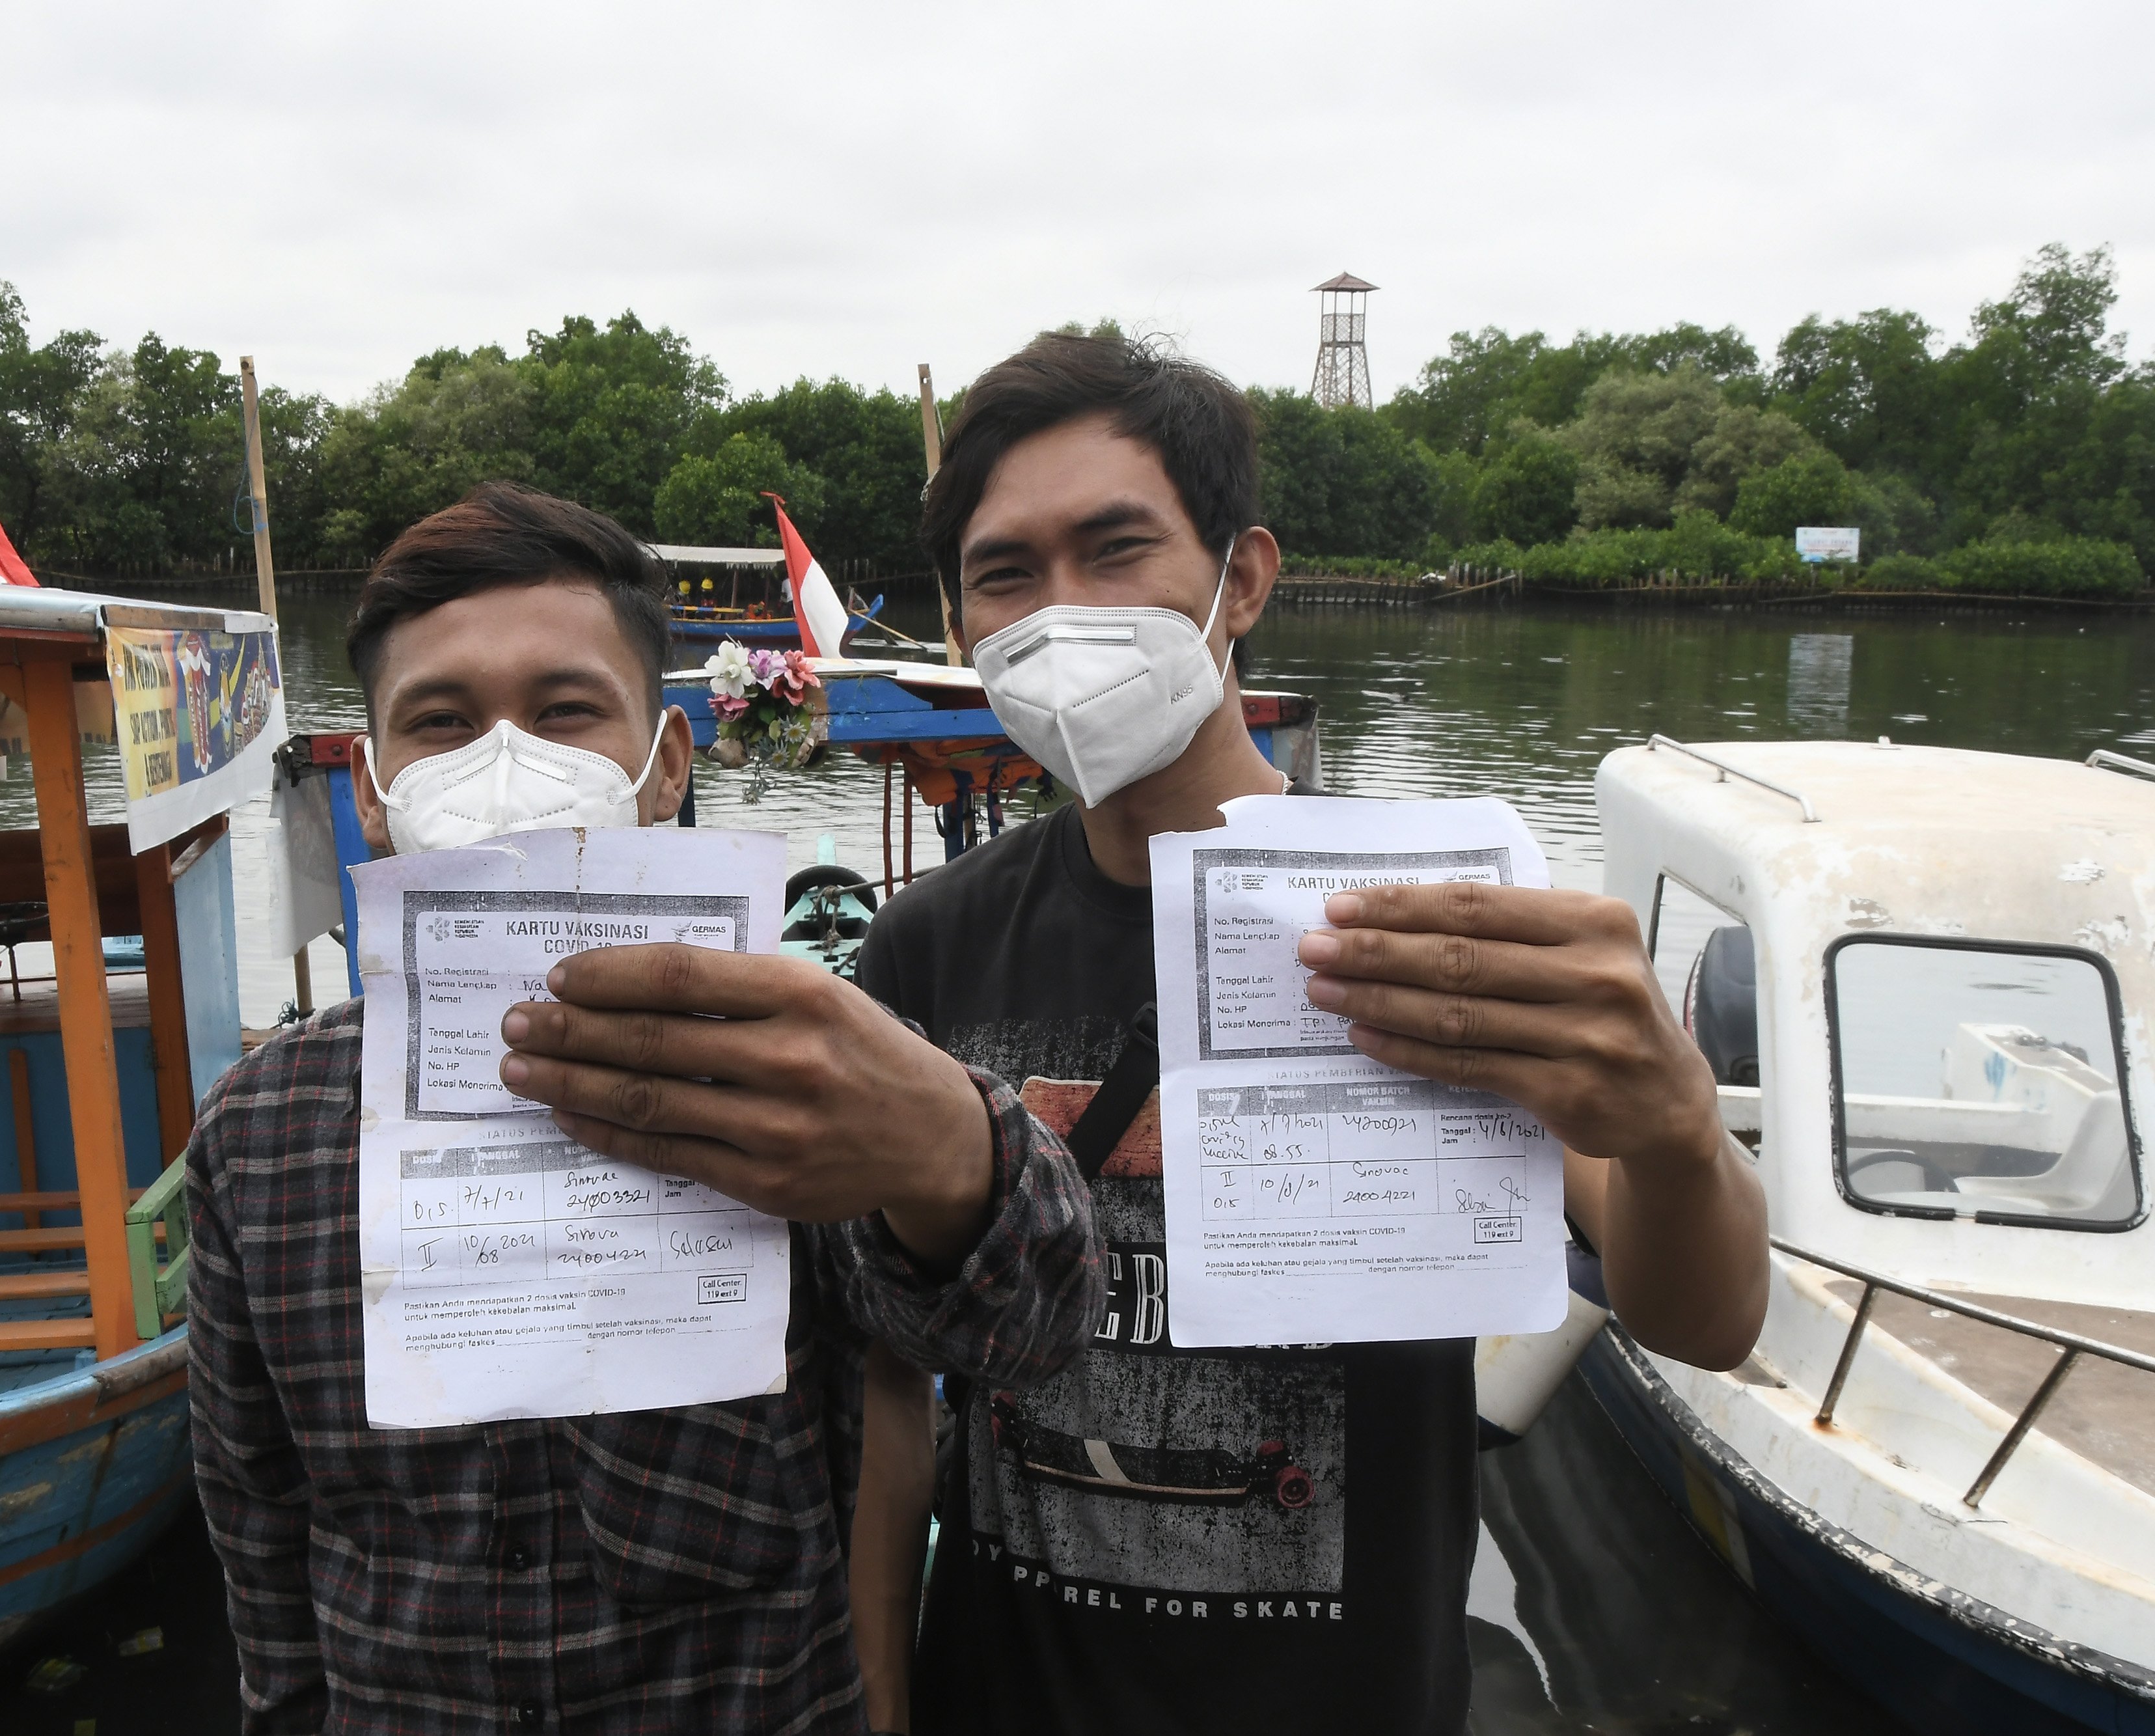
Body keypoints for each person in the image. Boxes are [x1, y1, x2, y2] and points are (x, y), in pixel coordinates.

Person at [855, 332, 1772, 1736]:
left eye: (1116, 549)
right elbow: (890, 1398)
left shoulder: (1439, 922)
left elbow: (1700, 1320)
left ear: (1244, 574)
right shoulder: (931, 941)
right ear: (961, 619)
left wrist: (1676, 1128)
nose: (1061, 611)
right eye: (1005, 573)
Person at [184, 481, 1105, 1735]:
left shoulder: (800, 1071)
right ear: (372, 787)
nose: (505, 762)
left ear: (667, 764)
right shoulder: (260, 1133)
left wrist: (950, 1145)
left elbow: (1033, 1330)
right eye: (441, 724)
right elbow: (261, 1543)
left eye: (566, 712)